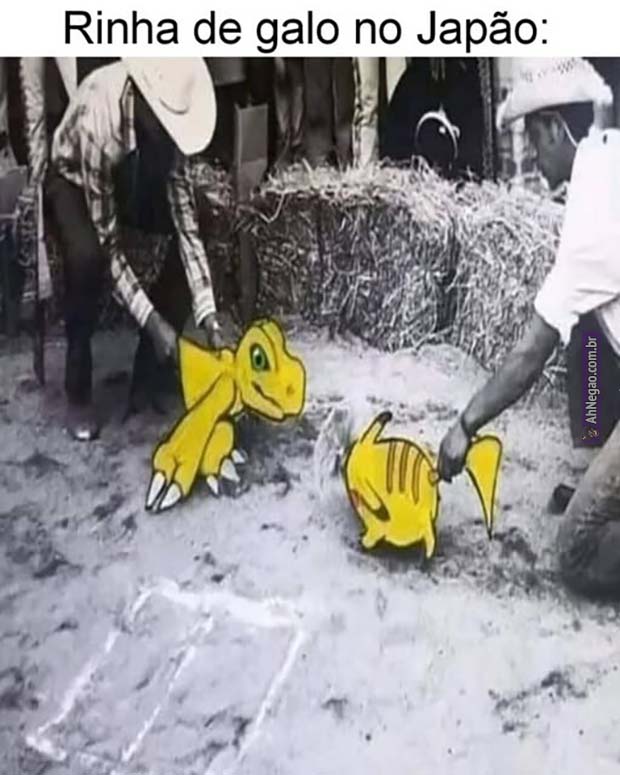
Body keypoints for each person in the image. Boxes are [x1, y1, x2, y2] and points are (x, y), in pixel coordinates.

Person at [436, 57, 620, 598]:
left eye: (535, 139)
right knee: (589, 334)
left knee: (577, 550)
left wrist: (466, 424)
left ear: (556, 130)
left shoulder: (593, 215)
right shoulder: (609, 154)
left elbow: (531, 352)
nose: (534, 157)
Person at [45, 58, 224, 442]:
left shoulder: (166, 134)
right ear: (140, 99)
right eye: (164, 124)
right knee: (87, 257)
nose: (171, 136)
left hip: (130, 170)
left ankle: (151, 369)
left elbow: (186, 226)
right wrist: (152, 320)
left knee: (204, 216)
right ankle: (78, 390)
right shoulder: (98, 116)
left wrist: (208, 313)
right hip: (74, 180)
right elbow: (109, 245)